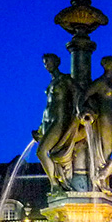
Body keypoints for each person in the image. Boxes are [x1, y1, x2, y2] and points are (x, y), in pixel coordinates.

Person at [80, 55, 112, 193]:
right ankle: (98, 180)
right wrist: (81, 110)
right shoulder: (100, 82)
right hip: (105, 118)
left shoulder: (111, 84)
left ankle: (102, 176)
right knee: (106, 153)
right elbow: (83, 95)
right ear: (107, 66)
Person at [33, 52, 78, 191]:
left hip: (60, 121)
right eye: (45, 62)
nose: (47, 65)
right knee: (47, 154)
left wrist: (79, 113)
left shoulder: (65, 79)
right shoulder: (51, 83)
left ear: (57, 62)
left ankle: (54, 184)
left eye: (49, 61)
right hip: (47, 122)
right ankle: (57, 181)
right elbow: (48, 106)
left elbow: (78, 95)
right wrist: (40, 127)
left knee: (41, 152)